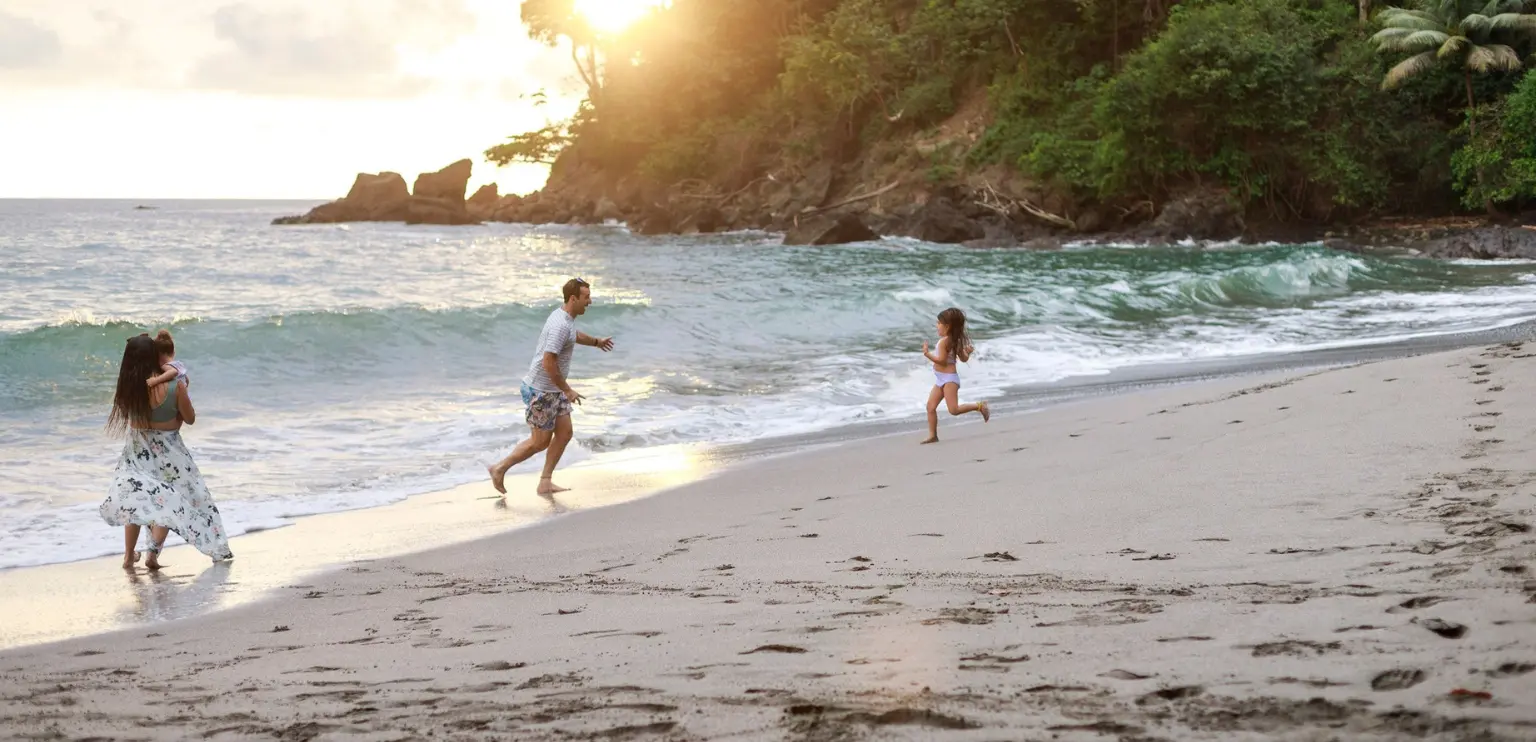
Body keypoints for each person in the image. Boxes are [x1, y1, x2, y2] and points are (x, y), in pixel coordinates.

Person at [100, 333, 233, 570]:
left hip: (136, 451)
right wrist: (177, 416)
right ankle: (152, 555)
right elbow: (190, 418)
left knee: (135, 502)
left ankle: (129, 556)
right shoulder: (174, 385)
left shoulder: (127, 390)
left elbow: (134, 420)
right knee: (168, 501)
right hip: (170, 453)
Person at [488, 278, 615, 496]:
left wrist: (596, 342)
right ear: (573, 298)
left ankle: (545, 481)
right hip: (541, 391)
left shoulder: (564, 318)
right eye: (586, 297)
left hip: (554, 389)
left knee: (565, 433)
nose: (590, 301)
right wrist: (567, 389)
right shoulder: (560, 325)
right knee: (540, 443)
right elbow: (548, 362)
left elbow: (573, 336)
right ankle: (499, 468)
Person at [920, 307, 990, 444]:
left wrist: (927, 354)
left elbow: (942, 361)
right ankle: (933, 435)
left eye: (939, 323)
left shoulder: (944, 342)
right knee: (930, 407)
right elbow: (963, 359)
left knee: (954, 410)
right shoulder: (953, 341)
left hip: (949, 380)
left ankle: (980, 406)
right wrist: (967, 353)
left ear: (948, 326)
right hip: (941, 379)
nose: (937, 326)